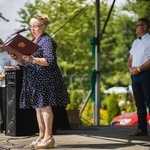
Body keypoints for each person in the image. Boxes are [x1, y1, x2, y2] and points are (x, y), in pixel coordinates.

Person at [10, 14, 70, 149]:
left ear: (43, 27)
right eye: (30, 27)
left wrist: (32, 59)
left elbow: (50, 61)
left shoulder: (46, 40)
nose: (32, 29)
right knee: (38, 108)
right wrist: (18, 59)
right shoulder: (33, 41)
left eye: (35, 26)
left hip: (45, 79)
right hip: (34, 79)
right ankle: (42, 135)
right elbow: (26, 63)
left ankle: (49, 137)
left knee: (45, 107)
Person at [127, 18, 150, 136]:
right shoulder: (135, 42)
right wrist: (130, 68)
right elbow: (130, 58)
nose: (136, 27)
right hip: (135, 75)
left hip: (146, 74)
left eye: (138, 25)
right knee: (139, 102)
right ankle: (142, 129)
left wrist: (139, 69)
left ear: (145, 27)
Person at [0, 38, 18, 132]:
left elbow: (15, 67)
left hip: (5, 84)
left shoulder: (7, 54)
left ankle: (6, 126)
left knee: (5, 106)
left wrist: (5, 75)